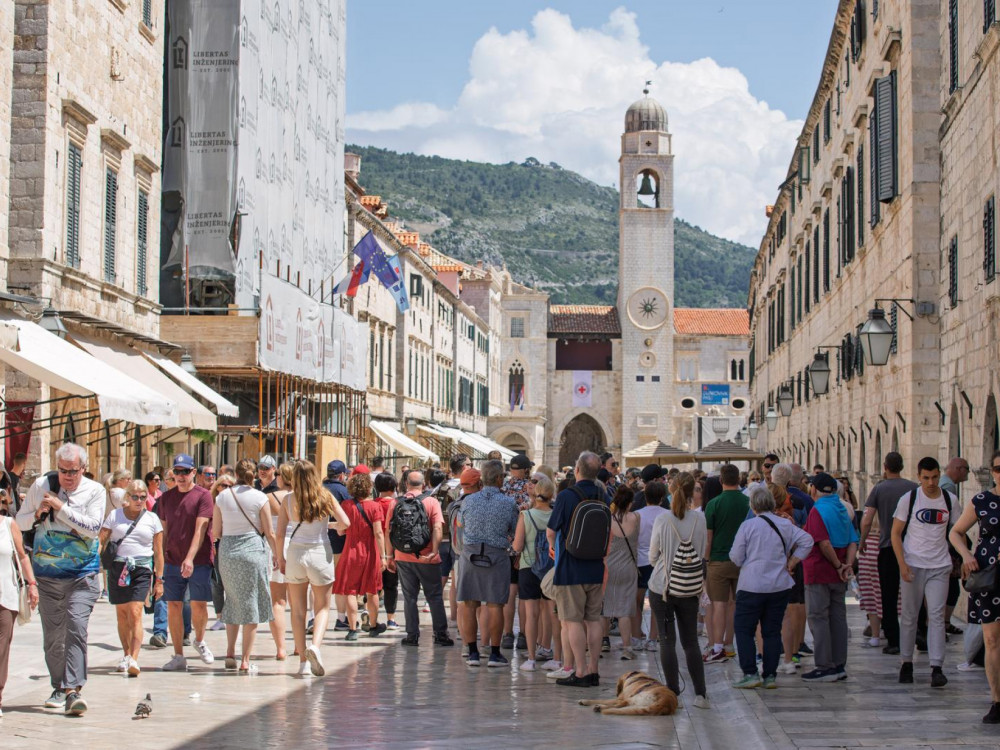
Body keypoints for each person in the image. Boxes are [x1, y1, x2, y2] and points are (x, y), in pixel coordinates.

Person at [15, 443, 104, 715]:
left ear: (83, 469)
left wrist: (60, 507)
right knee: (54, 636)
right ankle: (59, 686)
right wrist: (38, 513)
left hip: (83, 574)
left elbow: (93, 529)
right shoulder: (42, 484)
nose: (67, 476)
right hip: (48, 575)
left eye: (73, 471)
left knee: (76, 627)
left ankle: (73, 689)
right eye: (63, 471)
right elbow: (18, 523)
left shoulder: (95, 491)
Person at [729, 484, 814, 689]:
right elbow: (807, 541)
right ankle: (770, 675)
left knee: (744, 629)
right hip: (778, 584)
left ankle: (750, 673)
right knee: (772, 631)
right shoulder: (784, 524)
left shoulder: (748, 526)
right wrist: (792, 561)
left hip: (752, 584)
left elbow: (736, 556)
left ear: (754, 506)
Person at [276, 459, 350, 676]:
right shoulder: (325, 496)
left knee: (298, 611)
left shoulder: (288, 500)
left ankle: (302, 663)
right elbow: (346, 522)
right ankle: (315, 647)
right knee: (322, 608)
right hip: (320, 552)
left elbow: (280, 534)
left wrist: (280, 558)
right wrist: (332, 526)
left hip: (296, 553)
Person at [546, 451, 610, 687]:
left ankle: (580, 671)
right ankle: (594, 670)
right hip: (595, 566)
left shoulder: (566, 496)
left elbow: (552, 531)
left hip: (570, 567)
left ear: (578, 470)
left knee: (572, 621)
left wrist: (552, 547)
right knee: (593, 620)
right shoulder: (604, 494)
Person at [647, 471, 710, 707]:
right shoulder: (699, 519)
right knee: (691, 641)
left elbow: (653, 555)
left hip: (662, 585)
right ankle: (701, 694)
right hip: (690, 585)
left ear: (671, 490)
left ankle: (673, 693)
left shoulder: (664, 519)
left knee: (666, 641)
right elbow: (702, 550)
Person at [892, 457, 954, 689]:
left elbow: (955, 532)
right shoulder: (909, 500)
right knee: (909, 615)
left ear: (939, 475)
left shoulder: (950, 500)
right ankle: (906, 662)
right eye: (926, 477)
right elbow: (896, 533)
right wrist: (902, 564)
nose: (930, 482)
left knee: (936, 615)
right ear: (919, 477)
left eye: (935, 477)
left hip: (939, 566)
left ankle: (937, 667)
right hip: (913, 564)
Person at [212, 460, 277, 673]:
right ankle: (245, 659)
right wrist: (277, 555)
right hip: (252, 550)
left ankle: (230, 652)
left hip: (228, 551)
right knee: (251, 604)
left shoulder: (222, 496)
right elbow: (269, 531)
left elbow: (217, 532)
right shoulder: (260, 497)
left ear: (236, 473)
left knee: (233, 599)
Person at [950, 449, 1000, 722]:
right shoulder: (982, 501)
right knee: (991, 639)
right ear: (992, 472)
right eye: (998, 468)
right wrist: (967, 556)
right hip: (989, 577)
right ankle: (996, 700)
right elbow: (955, 532)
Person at [157, 453, 216, 672]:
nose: (181, 476)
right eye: (177, 472)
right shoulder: (165, 499)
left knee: (198, 604)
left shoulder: (203, 496)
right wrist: (159, 562)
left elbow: (201, 529)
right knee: (173, 605)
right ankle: (178, 655)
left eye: (185, 472)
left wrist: (190, 558)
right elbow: (163, 531)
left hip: (199, 560)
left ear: (194, 473)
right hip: (173, 559)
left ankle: (199, 640)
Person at [98, 480, 163, 677]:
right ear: (127, 497)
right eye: (134, 496)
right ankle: (126, 654)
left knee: (135, 611)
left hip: (141, 568)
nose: (139, 500)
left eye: (143, 497)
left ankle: (134, 658)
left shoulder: (152, 519)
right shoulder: (115, 515)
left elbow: (159, 552)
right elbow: (102, 540)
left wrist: (159, 579)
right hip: (118, 567)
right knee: (122, 614)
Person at [457, 460, 519, 667]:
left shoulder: (468, 501)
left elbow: (463, 523)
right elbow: (513, 530)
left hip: (471, 553)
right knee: (495, 604)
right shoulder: (508, 503)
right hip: (496, 555)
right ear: (500, 478)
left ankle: (472, 652)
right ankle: (494, 652)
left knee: (469, 603)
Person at [802, 472, 859, 681]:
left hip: (820, 571)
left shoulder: (817, 510)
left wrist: (836, 565)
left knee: (818, 618)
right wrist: (847, 565)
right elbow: (854, 540)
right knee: (837, 617)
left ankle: (825, 665)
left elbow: (823, 542)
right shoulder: (843, 509)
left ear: (814, 489)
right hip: (840, 574)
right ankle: (838, 664)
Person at [859, 452, 918, 655]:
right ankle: (920, 633)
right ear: (901, 466)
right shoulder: (913, 488)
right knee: (916, 592)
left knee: (889, 596)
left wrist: (862, 542)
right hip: (912, 548)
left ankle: (894, 640)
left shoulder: (879, 488)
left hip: (887, 548)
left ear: (885, 466)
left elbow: (867, 519)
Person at [387, 470, 453, 647]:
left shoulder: (395, 503)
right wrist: (434, 550)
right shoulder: (431, 501)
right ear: (424, 484)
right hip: (427, 557)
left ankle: (411, 635)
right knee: (434, 596)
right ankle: (440, 634)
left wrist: (389, 556)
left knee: (410, 597)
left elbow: (389, 532)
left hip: (403, 557)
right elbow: (438, 529)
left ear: (406, 484)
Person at [511, 472, 558, 671]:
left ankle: (530, 658)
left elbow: (518, 545)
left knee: (531, 615)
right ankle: (553, 655)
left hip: (528, 567)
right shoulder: (557, 515)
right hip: (551, 569)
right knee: (552, 613)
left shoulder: (526, 515)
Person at [703, 463, 749, 664]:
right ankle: (730, 645)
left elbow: (709, 537)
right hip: (743, 561)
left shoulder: (714, 504)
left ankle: (718, 646)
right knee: (735, 605)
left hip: (719, 560)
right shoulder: (748, 501)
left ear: (721, 480)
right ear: (739, 480)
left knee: (719, 604)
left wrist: (705, 560)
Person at [334, 472, 386, 640]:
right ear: (369, 488)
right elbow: (378, 532)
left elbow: (341, 531)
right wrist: (383, 556)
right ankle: (373, 625)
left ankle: (352, 629)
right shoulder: (374, 506)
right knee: (372, 591)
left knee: (350, 590)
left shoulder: (346, 505)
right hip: (370, 551)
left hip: (351, 551)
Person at [0, 490, 38, 717]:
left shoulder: (8, 524)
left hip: (5, 595)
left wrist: (32, 584)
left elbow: (22, 556)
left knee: (1, 648)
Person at [603, 486, 640, 658]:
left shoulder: (608, 519)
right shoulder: (635, 518)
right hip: (629, 567)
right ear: (630, 502)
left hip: (609, 567)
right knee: (624, 610)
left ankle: (603, 642)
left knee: (605, 609)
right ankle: (627, 649)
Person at [634, 474, 669, 650]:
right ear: (662, 498)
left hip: (640, 562)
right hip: (661, 563)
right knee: (657, 602)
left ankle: (636, 636)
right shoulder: (668, 515)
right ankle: (653, 639)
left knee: (637, 602)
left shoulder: (636, 515)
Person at [265, 463, 294, 660]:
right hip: (299, 546)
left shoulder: (269, 497)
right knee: (298, 602)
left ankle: (281, 648)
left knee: (278, 601)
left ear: (281, 477)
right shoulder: (303, 498)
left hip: (276, 546)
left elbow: (267, 528)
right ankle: (300, 646)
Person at [323, 460, 351, 631]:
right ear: (341, 475)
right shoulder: (343, 491)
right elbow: (348, 517)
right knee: (340, 581)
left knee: (318, 583)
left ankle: (314, 618)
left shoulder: (317, 489)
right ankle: (341, 618)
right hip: (339, 542)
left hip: (317, 540)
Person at [373, 473, 400, 630]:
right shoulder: (397, 504)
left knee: (374, 587)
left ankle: (372, 617)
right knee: (391, 585)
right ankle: (391, 619)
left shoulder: (372, 504)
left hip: (375, 550)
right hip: (392, 550)